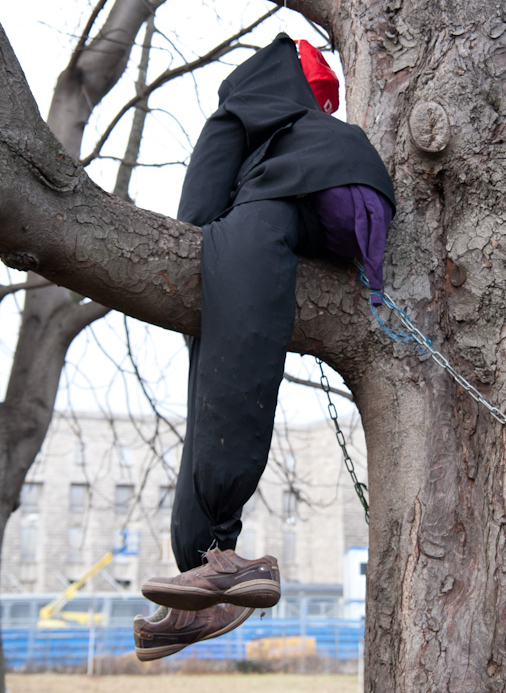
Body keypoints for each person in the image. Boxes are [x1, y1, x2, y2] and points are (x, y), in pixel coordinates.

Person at [133, 33, 396, 661]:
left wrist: (200, 254)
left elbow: (200, 205)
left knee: (222, 367)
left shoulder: (241, 110)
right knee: (227, 358)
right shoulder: (321, 130)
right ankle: (202, 579)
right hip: (351, 213)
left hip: (275, 218)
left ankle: (224, 558)